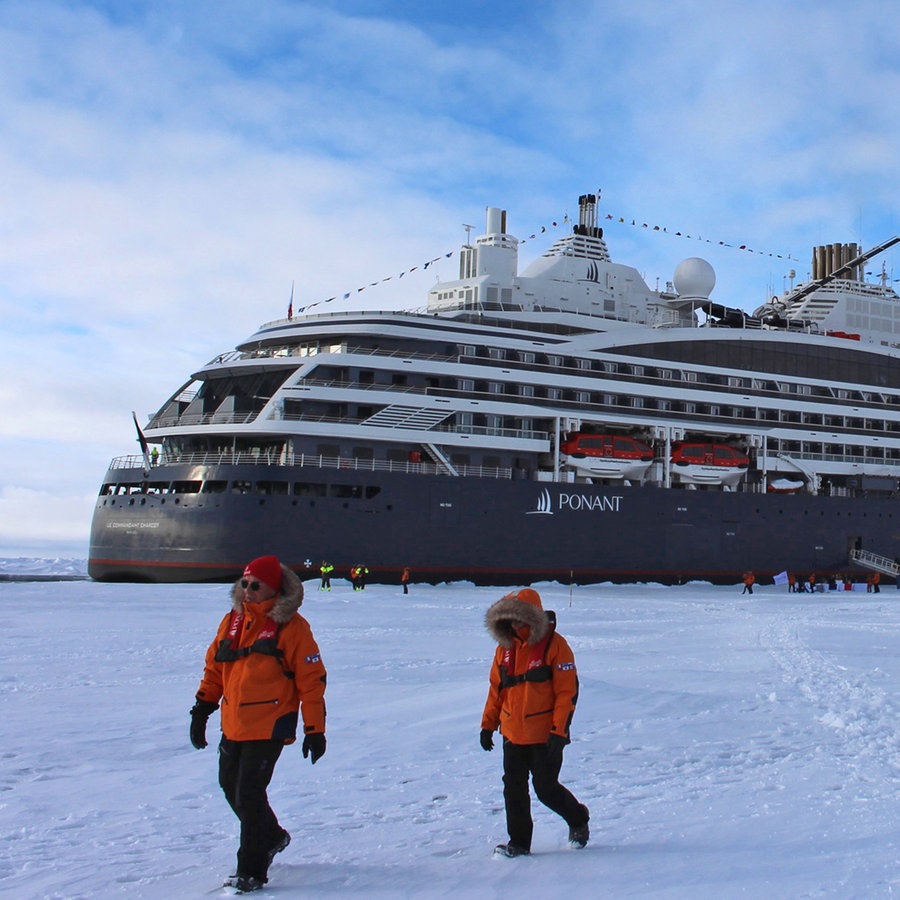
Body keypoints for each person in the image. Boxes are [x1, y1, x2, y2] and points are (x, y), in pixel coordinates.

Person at [189, 555, 327, 893]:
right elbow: (214, 669)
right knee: (229, 786)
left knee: (249, 794)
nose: (247, 590)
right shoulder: (231, 622)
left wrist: (315, 729)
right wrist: (202, 709)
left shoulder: (293, 628)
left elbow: (311, 681)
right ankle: (272, 836)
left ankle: (251, 869)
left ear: (273, 590)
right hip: (234, 722)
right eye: (244, 584)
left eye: (255, 585)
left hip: (270, 723)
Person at [479, 587, 589, 857]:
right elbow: (496, 689)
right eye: (508, 618)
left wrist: (559, 731)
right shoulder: (503, 650)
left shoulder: (556, 645)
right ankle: (518, 843)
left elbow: (567, 692)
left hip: (545, 735)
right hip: (513, 733)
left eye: (518, 617)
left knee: (546, 789)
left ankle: (578, 819)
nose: (514, 624)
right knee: (513, 789)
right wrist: (487, 725)